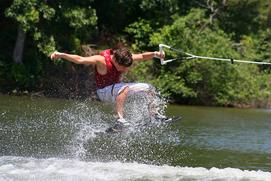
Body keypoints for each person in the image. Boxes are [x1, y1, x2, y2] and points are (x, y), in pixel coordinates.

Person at [50, 47, 164, 129]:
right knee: (124, 88)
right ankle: (120, 120)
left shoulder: (124, 57)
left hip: (116, 89)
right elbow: (80, 59)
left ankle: (154, 115)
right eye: (123, 67)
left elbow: (143, 56)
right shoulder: (101, 60)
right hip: (104, 92)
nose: (125, 70)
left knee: (149, 88)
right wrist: (60, 55)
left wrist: (156, 54)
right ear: (115, 60)